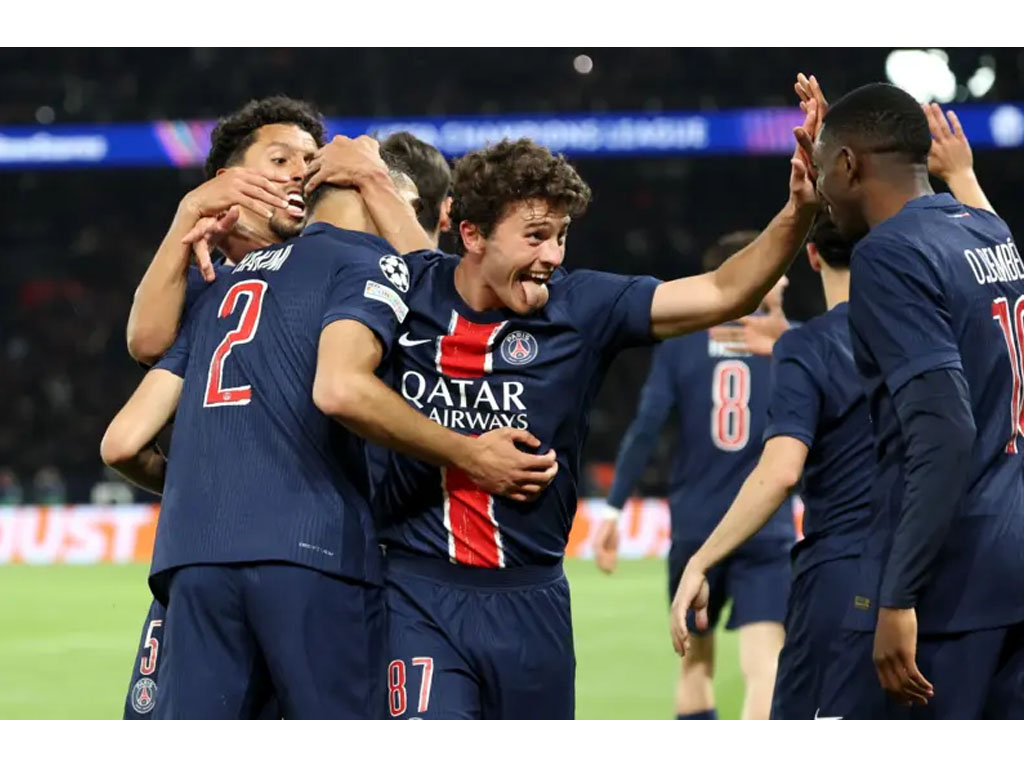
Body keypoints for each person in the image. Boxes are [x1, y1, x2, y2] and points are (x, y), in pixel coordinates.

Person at [375, 103, 819, 719]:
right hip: (419, 593)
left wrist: (799, 210)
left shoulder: (584, 306)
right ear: (472, 235)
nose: (553, 255)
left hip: (533, 599)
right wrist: (354, 159)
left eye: (561, 236)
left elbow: (723, 290)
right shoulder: (407, 289)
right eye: (535, 236)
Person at [104, 139, 552, 719]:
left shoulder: (221, 288)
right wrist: (470, 454)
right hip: (313, 549)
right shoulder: (369, 261)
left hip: (193, 557)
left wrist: (217, 485)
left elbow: (122, 442)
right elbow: (342, 389)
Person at [805, 80, 1024, 719]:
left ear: (849, 165)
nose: (819, 188)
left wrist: (898, 595)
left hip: (948, 576)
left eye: (823, 168)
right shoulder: (989, 231)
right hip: (1011, 555)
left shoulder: (889, 253)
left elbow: (944, 431)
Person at [671, 216, 869, 719]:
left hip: (836, 562)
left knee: (729, 677)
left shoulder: (806, 346)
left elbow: (780, 472)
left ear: (811, 257)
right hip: (921, 562)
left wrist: (700, 560)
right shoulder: (922, 333)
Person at [594, 233, 794, 721]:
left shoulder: (682, 344)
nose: (784, 277)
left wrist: (614, 509)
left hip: (697, 527)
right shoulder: (792, 344)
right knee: (766, 665)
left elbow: (646, 428)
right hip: (765, 525)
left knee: (695, 666)